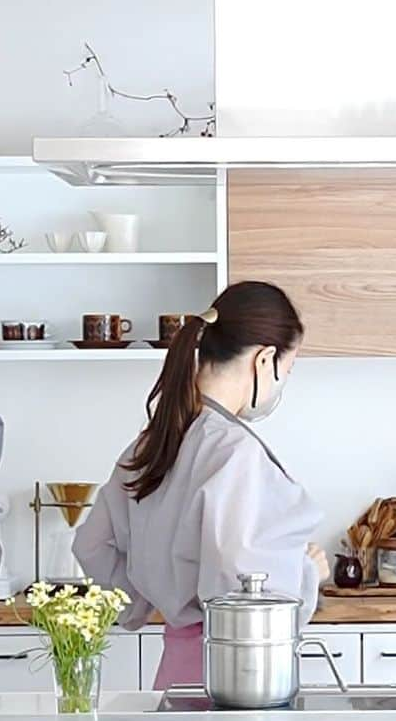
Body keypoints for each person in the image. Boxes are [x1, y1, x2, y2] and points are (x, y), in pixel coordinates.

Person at [74, 279, 328, 689]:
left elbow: (91, 544)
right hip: (234, 680)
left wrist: (148, 600)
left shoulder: (153, 441)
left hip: (173, 674)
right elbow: (244, 583)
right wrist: (306, 570)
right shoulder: (234, 452)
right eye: (289, 369)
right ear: (265, 360)